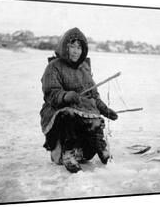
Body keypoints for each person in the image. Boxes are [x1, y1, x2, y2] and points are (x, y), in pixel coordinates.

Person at [40, 27, 118, 173]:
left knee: (95, 120)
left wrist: (104, 109)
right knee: (67, 114)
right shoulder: (53, 67)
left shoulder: (84, 68)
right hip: (58, 109)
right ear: (65, 48)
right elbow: (51, 93)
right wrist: (66, 96)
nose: (76, 51)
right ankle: (68, 153)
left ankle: (101, 149)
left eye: (79, 47)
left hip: (83, 108)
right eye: (72, 47)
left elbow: (93, 95)